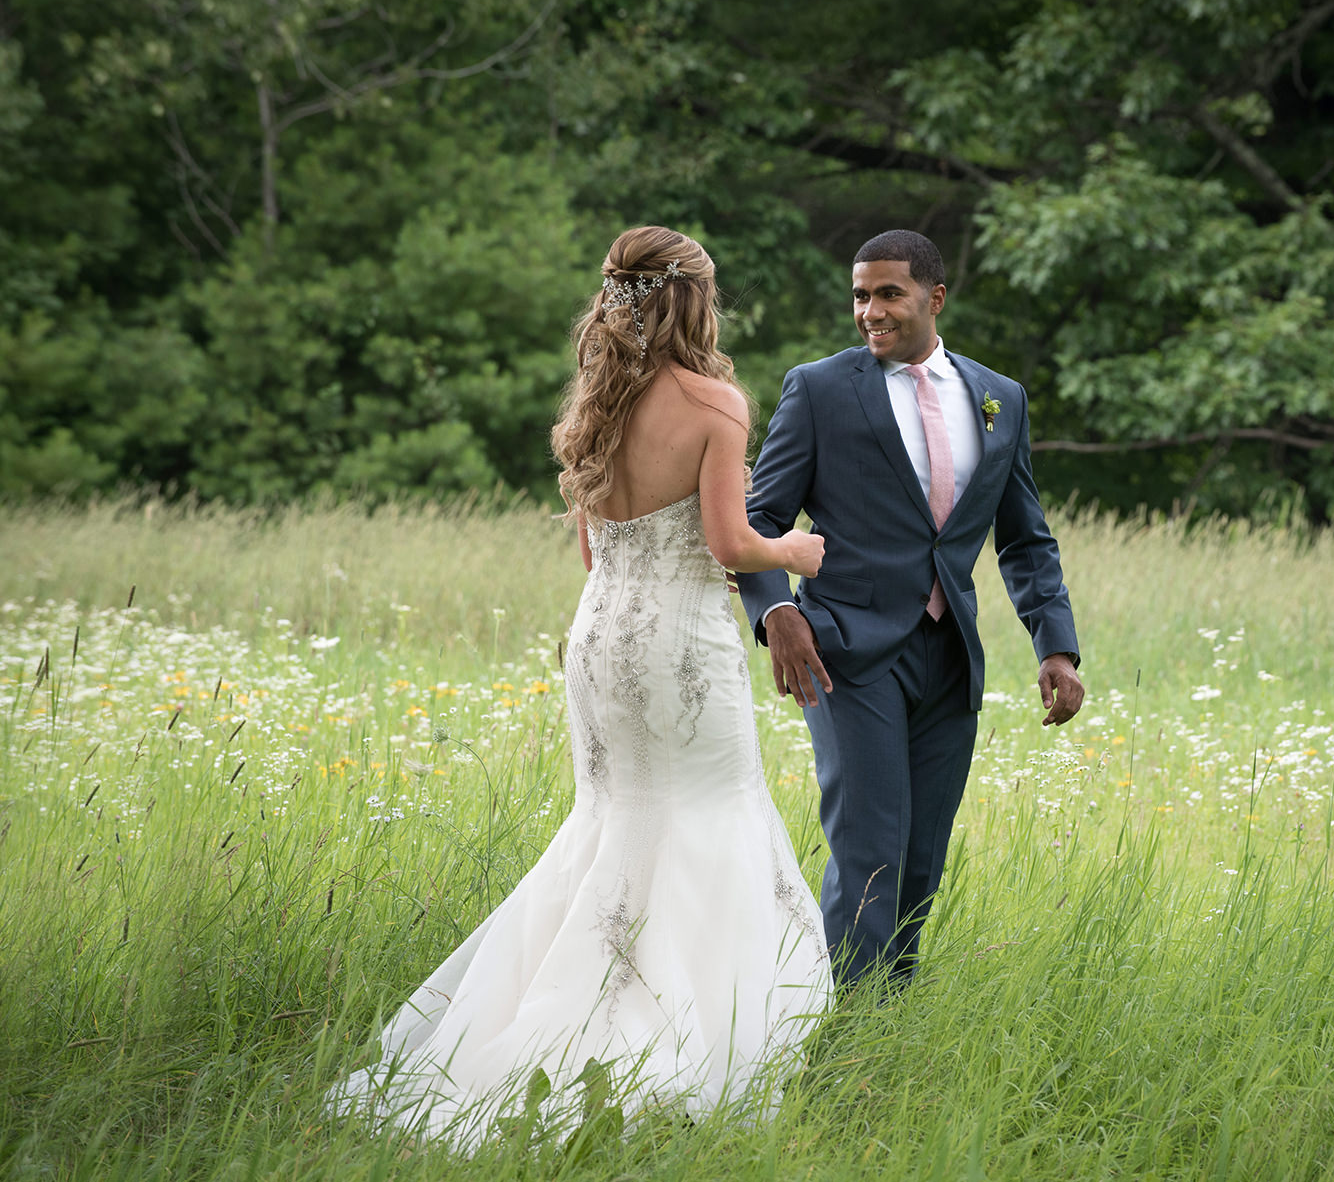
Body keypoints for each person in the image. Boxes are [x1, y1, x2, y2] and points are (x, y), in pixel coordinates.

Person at [326, 226, 833, 1148]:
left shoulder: (601, 399)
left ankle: (559, 1010)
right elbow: (729, 547)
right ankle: (682, 1037)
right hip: (678, 644)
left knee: (614, 819)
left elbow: (593, 540)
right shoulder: (715, 403)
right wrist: (793, 551)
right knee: (709, 814)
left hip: (599, 635)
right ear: (695, 300)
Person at [736, 229, 1084, 992]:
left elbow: (1024, 538)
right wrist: (776, 616)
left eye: (888, 293)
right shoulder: (820, 389)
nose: (870, 311)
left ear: (936, 297)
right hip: (843, 651)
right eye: (860, 295)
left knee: (922, 855)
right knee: (869, 849)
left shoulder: (1000, 399)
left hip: (948, 652)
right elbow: (757, 520)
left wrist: (1054, 646)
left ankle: (890, 1021)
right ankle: (847, 1035)